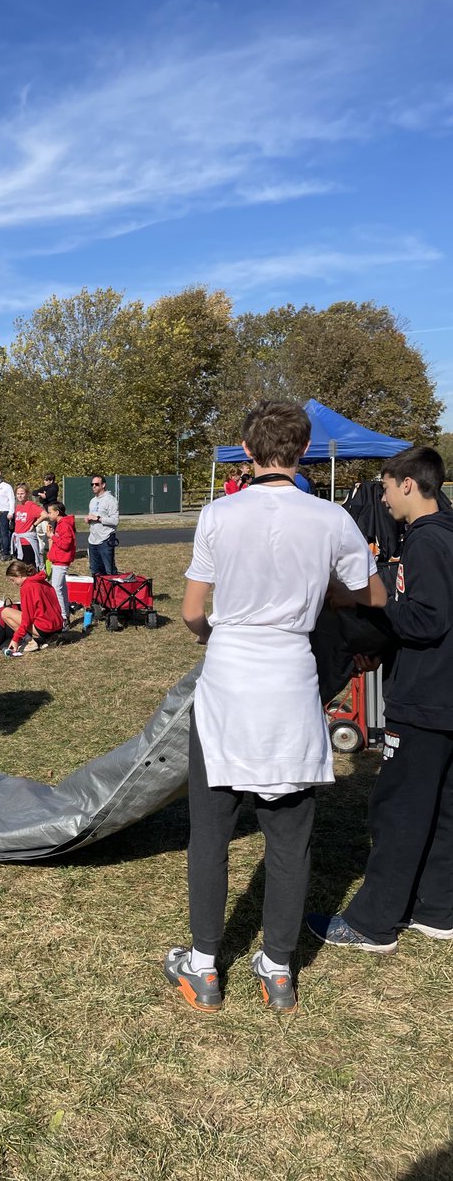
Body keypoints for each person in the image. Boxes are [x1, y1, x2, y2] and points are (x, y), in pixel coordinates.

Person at [167, 400, 384, 1014]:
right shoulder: (330, 517)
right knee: (290, 836)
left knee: (210, 831)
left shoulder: (217, 513)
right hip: (291, 678)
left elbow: (190, 610)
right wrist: (324, 591)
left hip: (230, 679)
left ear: (245, 447)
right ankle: (279, 969)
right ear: (304, 449)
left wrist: (215, 636)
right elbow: (369, 593)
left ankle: (205, 966)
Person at [307, 447, 453, 953]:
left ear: (409, 484)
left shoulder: (426, 541)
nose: (384, 498)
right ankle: (436, 909)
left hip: (424, 699)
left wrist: (367, 603)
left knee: (399, 809)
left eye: (387, 487)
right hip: (445, 696)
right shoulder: (449, 532)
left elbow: (426, 619)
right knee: (441, 805)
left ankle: (373, 923)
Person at [0, 560, 64, 656]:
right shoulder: (42, 581)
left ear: (19, 575)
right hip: (58, 625)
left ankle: (30, 642)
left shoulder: (27, 587)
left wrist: (16, 639)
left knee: (3, 612)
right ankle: (49, 637)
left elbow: (27, 618)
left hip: (45, 628)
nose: (13, 583)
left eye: (13, 580)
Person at [45, 501, 77, 623]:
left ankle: (63, 617)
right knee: (61, 588)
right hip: (58, 560)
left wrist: (53, 536)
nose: (48, 514)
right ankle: (65, 614)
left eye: (50, 512)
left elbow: (65, 544)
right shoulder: (61, 524)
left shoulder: (64, 525)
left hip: (61, 561)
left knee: (56, 588)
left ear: (57, 512)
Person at [85, 474, 119, 577]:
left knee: (109, 570)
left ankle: (113, 591)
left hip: (106, 539)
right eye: (92, 484)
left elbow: (115, 521)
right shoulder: (92, 501)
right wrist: (89, 519)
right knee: (95, 570)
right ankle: (98, 592)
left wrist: (98, 518)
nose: (94, 486)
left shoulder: (110, 500)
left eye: (96, 484)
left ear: (103, 485)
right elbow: (93, 517)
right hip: (93, 540)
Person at [11, 483, 43, 566]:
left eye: (22, 493)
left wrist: (34, 525)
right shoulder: (18, 506)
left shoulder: (31, 505)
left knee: (29, 567)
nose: (20, 496)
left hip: (28, 542)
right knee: (21, 567)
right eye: (18, 494)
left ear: (27, 494)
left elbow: (45, 514)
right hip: (19, 542)